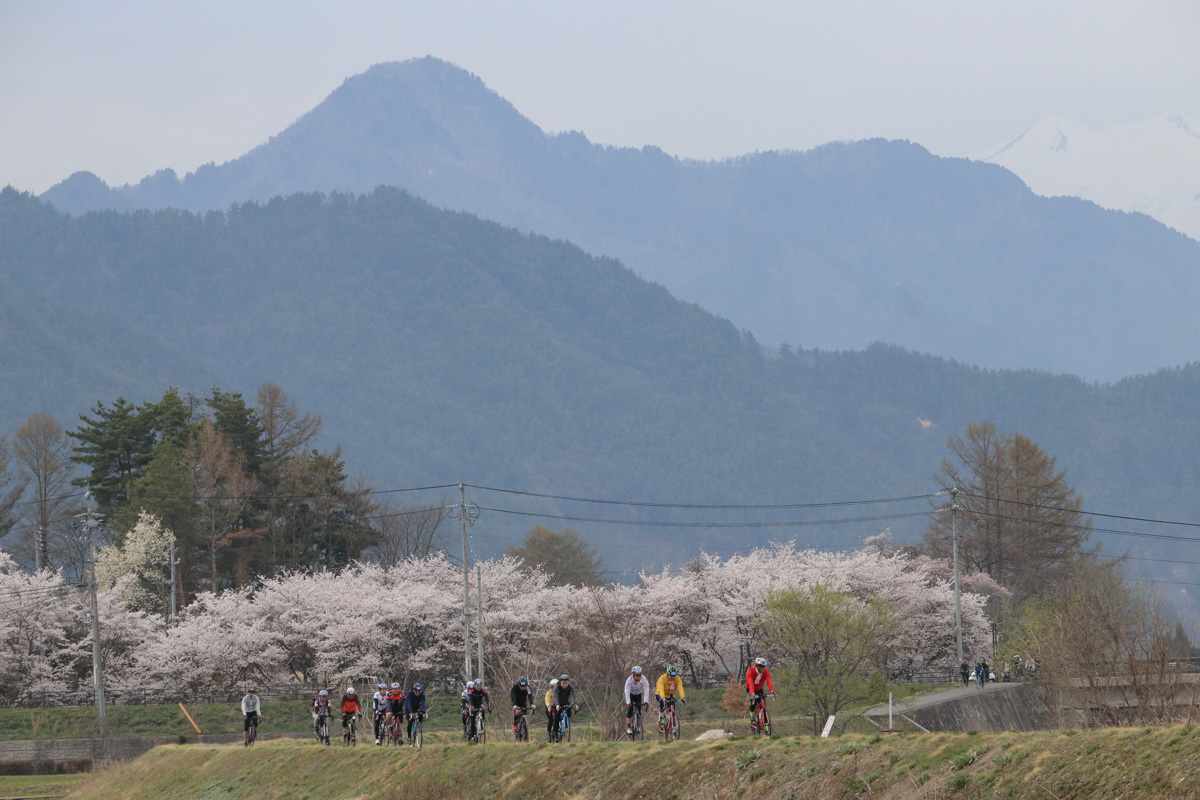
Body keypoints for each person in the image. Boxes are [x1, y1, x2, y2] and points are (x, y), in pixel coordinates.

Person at [623, 666, 650, 735]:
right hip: (630, 694)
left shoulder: (644, 679)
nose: (639, 677)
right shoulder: (629, 680)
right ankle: (629, 728)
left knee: (639, 710)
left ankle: (637, 726)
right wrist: (628, 702)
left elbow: (646, 690)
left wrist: (646, 701)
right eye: (637, 675)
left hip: (638, 694)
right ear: (633, 675)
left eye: (640, 675)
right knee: (630, 711)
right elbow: (627, 691)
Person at [510, 676, 535, 741]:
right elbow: (514, 696)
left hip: (523, 702)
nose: (522, 687)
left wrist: (532, 704)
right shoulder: (515, 688)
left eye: (524, 686)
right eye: (521, 686)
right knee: (518, 712)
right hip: (515, 701)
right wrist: (515, 705)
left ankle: (526, 737)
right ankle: (515, 723)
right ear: (518, 684)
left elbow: (530, 696)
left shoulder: (528, 688)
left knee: (524, 718)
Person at [544, 678, 559, 742]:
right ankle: (549, 735)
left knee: (558, 719)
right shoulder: (549, 692)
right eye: (553, 686)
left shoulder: (560, 691)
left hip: (558, 707)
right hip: (550, 707)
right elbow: (547, 700)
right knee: (550, 720)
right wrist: (549, 706)